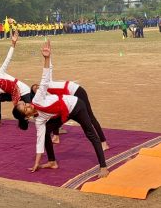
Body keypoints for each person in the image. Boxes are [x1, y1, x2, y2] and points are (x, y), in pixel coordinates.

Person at [12, 40, 109, 179]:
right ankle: (52, 162)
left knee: (90, 134)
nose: (28, 105)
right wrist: (36, 163)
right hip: (63, 113)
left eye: (25, 104)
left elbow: (45, 80)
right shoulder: (38, 120)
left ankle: (103, 166)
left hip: (75, 106)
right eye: (25, 108)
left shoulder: (37, 99)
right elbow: (39, 142)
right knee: (45, 134)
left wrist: (47, 58)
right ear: (27, 117)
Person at [30, 61, 109, 150]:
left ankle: (103, 142)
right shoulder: (44, 96)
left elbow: (49, 68)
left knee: (90, 117)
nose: (37, 87)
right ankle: (56, 137)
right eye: (34, 89)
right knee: (55, 115)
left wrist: (48, 57)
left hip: (77, 91)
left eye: (36, 86)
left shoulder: (46, 84)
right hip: (71, 96)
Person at [0, 30, 32, 128]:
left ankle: (55, 126)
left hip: (23, 90)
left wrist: (13, 43)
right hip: (13, 94)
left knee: (35, 109)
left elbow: (8, 59)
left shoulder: (0, 72)